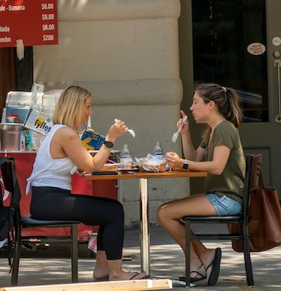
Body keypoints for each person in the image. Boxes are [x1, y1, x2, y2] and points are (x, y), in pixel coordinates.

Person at [24, 85, 148, 281]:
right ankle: (116, 272)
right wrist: (110, 139)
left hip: (46, 200)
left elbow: (83, 167)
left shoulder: (60, 131)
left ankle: (102, 269)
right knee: (114, 212)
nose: (90, 112)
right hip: (50, 201)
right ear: (75, 107)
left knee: (111, 209)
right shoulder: (67, 134)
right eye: (88, 107)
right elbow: (91, 166)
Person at [158, 83, 245, 286]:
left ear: (211, 105)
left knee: (164, 213)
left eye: (196, 102)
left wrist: (183, 163)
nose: (191, 107)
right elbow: (193, 159)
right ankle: (202, 258)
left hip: (227, 199)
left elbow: (216, 167)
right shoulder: (212, 130)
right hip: (218, 196)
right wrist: (185, 134)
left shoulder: (224, 129)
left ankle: (200, 260)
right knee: (164, 211)